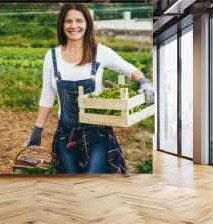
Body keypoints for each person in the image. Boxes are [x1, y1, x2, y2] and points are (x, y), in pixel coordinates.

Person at [25, 3, 154, 174]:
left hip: (97, 133)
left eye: (79, 20)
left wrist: (143, 82)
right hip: (65, 134)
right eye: (68, 21)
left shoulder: (99, 52)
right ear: (62, 25)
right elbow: (47, 96)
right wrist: (37, 131)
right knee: (71, 186)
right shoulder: (52, 56)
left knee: (93, 182)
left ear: (87, 24)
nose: (73, 26)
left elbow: (129, 69)